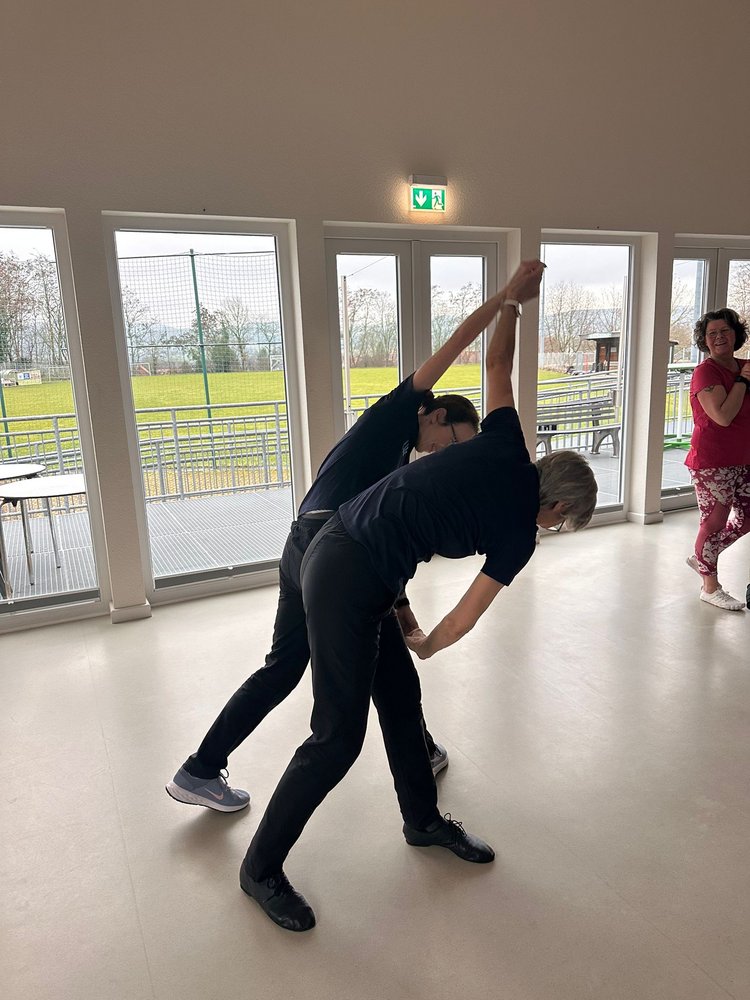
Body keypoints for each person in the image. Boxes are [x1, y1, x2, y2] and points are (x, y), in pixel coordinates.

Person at [240, 259, 598, 931]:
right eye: (562, 522)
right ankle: (259, 869)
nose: (554, 528)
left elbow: (498, 364)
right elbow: (465, 616)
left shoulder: (505, 441)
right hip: (345, 574)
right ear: (556, 507)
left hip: (353, 557)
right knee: (337, 737)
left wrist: (513, 303)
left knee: (401, 701)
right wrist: (427, 643)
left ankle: (423, 821)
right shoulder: (519, 535)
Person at [167, 280, 510, 814]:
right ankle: (419, 752)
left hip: (305, 547)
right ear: (438, 416)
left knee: (285, 667)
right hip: (331, 555)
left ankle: (200, 768)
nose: (446, 456)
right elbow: (456, 343)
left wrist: (403, 609)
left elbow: (383, 544)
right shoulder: (396, 415)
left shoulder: (401, 460)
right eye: (453, 444)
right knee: (383, 671)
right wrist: (506, 297)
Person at [684, 308, 750, 612]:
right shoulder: (706, 372)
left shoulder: (744, 366)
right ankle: (710, 588)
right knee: (714, 523)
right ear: (705, 340)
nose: (719, 337)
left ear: (736, 334)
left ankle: (703, 558)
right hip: (713, 461)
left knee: (747, 519)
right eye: (712, 333)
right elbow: (722, 416)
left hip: (745, 457)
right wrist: (742, 382)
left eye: (725, 330)